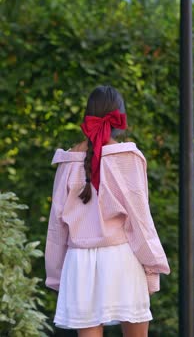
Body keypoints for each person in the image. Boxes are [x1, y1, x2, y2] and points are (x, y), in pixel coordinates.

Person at [45, 85, 170, 337]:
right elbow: (140, 221)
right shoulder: (129, 158)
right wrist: (152, 269)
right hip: (122, 258)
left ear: (87, 115)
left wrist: (56, 276)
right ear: (119, 118)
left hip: (79, 262)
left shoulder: (67, 161)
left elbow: (56, 227)